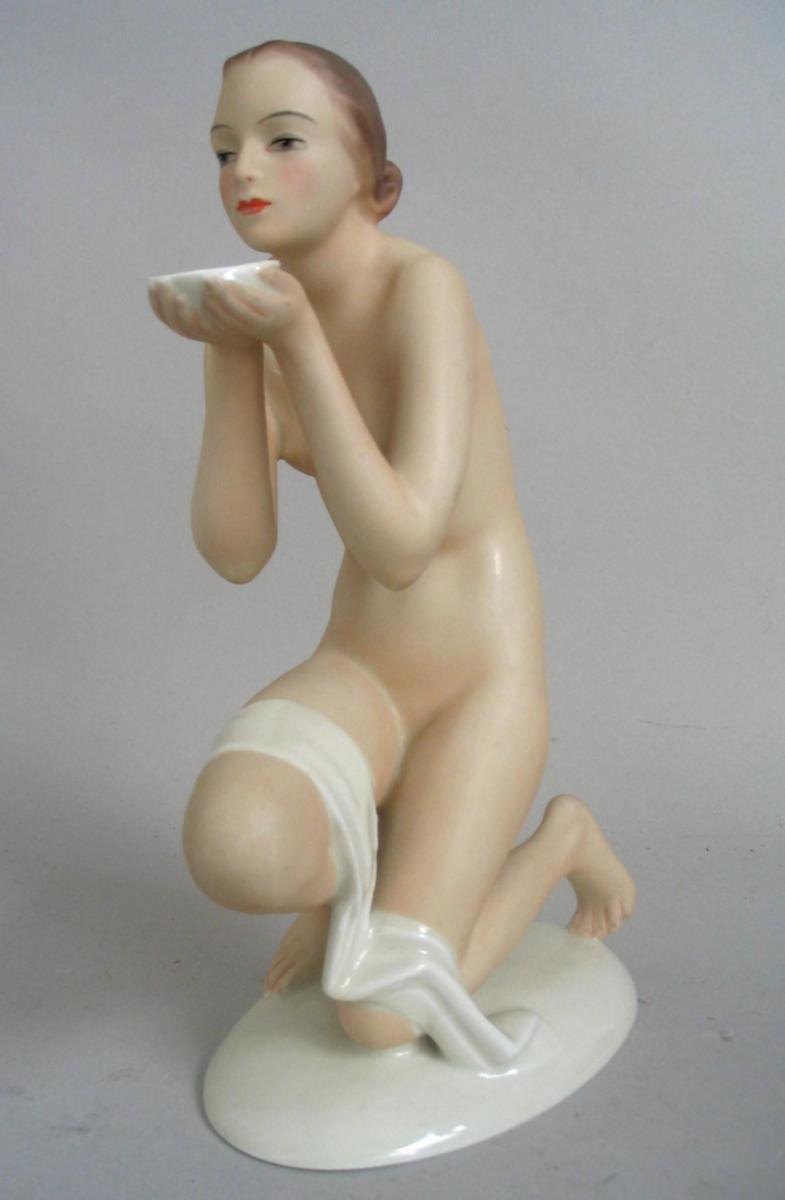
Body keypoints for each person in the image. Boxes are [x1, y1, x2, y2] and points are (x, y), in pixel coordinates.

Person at [149, 39, 636, 1054]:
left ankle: (558, 840)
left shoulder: (423, 288)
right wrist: (230, 355)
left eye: (283, 141)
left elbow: (402, 542)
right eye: (224, 148)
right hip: (361, 665)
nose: (243, 170)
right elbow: (235, 553)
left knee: (378, 1017)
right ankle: (360, 882)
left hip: (475, 680)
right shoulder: (266, 317)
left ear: (375, 181)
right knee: (234, 845)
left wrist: (294, 343)